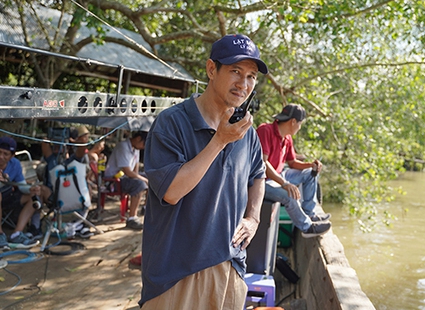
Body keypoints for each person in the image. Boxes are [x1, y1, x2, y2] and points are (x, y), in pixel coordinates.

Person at [140, 34, 267, 309]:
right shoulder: (171, 123)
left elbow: (258, 174)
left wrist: (254, 218)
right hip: (175, 273)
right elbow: (172, 192)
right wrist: (220, 140)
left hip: (229, 266)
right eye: (235, 71)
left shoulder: (247, 132)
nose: (243, 84)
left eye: (251, 76)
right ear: (212, 70)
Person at [256, 104, 331, 226]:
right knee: (290, 195)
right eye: (300, 124)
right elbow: (263, 164)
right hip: (262, 182)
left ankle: (310, 214)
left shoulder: (287, 138)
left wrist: (311, 165)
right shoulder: (265, 130)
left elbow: (292, 163)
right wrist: (285, 184)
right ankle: (307, 228)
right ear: (293, 121)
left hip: (280, 176)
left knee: (310, 174)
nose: (300, 127)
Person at [0, 136, 45, 249]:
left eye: (5, 154)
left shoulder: (15, 164)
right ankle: (0, 235)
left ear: (12, 156)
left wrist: (31, 189)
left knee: (33, 196)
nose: (1, 156)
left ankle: (17, 233)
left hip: (7, 198)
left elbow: (22, 185)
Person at [104, 131, 148, 230]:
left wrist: (144, 178)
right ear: (138, 139)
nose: (143, 147)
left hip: (126, 177)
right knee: (140, 184)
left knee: (151, 178)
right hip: (114, 180)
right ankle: (132, 218)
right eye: (143, 144)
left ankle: (145, 208)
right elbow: (128, 171)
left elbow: (135, 171)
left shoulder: (136, 148)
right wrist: (143, 180)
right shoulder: (123, 147)